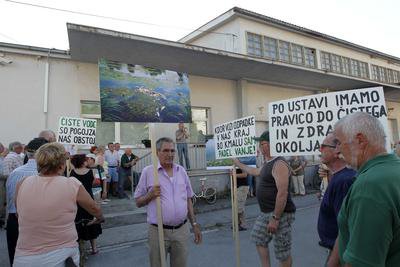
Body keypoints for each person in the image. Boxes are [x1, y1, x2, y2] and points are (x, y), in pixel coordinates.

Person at [13, 142, 104, 267]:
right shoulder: (71, 184)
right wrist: (100, 218)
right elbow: (94, 208)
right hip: (62, 255)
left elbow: (19, 214)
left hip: (24, 256)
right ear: (61, 165)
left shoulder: (22, 183)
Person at [328, 112, 400, 267]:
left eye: (339, 143)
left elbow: (362, 263)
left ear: (360, 141)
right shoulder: (394, 168)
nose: (336, 151)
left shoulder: (370, 186)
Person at [134, 137, 201, 267]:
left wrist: (194, 223)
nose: (170, 154)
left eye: (172, 151)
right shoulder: (148, 172)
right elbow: (138, 202)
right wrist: (150, 195)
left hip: (181, 230)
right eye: (165, 150)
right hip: (158, 232)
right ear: (157, 152)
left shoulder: (181, 171)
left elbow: (188, 199)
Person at [233, 131, 296, 267]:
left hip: (280, 214)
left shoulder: (279, 163)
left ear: (273, 144)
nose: (260, 148)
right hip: (266, 213)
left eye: (263, 144)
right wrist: (237, 163)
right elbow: (254, 171)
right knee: (258, 238)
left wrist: (276, 218)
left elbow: (282, 193)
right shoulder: (268, 163)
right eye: (260, 144)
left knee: (282, 252)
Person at [5, 137, 48, 265]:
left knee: (17, 260)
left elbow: (10, 200)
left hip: (14, 221)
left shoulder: (15, 173)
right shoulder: (46, 175)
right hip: (38, 223)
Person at [317, 133, 356, 263]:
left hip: (340, 251)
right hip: (335, 248)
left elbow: (345, 227)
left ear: (336, 151)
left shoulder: (344, 180)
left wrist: (333, 261)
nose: (319, 149)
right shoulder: (338, 177)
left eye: (323, 147)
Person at [70, 154, 102, 255]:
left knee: (79, 223)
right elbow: (95, 185)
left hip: (77, 200)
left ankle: (81, 250)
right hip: (89, 198)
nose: (87, 160)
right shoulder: (91, 171)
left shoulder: (72, 172)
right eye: (86, 159)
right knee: (91, 220)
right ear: (83, 162)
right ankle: (94, 248)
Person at [0, 142, 9, 228]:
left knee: (2, 202)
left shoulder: (2, 158)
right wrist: (8, 175)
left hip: (3, 184)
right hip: (1, 183)